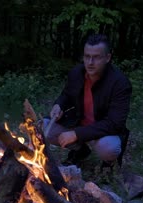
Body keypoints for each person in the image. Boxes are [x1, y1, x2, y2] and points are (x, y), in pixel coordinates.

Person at [45, 34, 132, 168]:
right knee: (44, 127)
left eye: (96, 57)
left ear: (107, 57)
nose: (90, 62)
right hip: (79, 123)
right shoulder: (77, 73)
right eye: (87, 56)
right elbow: (67, 94)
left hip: (103, 132)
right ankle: (80, 151)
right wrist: (59, 105)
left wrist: (76, 134)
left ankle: (108, 165)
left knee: (109, 148)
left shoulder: (119, 83)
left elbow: (114, 123)